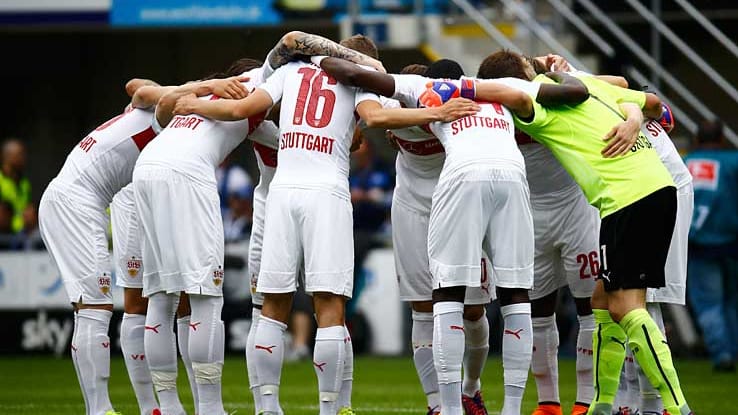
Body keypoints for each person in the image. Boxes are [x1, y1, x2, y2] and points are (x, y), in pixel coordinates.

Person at [173, 34, 477, 415]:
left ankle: (267, 408)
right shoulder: (358, 78)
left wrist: (194, 103)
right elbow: (377, 117)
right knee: (329, 306)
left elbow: (243, 110)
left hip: (282, 191)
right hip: (327, 193)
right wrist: (436, 113)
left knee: (273, 305)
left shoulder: (292, 70)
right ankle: (331, 409)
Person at [313, 54, 591, 415]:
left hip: (460, 182)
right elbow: (578, 91)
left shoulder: (424, 89)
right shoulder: (503, 90)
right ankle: (508, 408)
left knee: (448, 296)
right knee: (516, 295)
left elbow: (347, 74)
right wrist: (551, 68)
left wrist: (324, 54)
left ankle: (452, 405)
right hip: (509, 179)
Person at [476, 50, 694, 415]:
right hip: (649, 188)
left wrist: (468, 88)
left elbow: (516, 96)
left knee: (629, 307)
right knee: (601, 302)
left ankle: (675, 406)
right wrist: (633, 116)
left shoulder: (536, 107)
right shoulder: (587, 83)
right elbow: (654, 102)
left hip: (627, 197)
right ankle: (603, 405)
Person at [36, 76, 192, 415]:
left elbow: (139, 87)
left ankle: (104, 408)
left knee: (94, 310)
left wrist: (190, 90)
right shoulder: (162, 114)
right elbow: (149, 92)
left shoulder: (145, 108)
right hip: (75, 204)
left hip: (77, 201)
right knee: (94, 311)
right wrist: (202, 91)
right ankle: (100, 409)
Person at [381, 59, 495, 415]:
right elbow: (373, 115)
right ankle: (436, 405)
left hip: (461, 207)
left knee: (473, 308)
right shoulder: (397, 105)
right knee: (423, 307)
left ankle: (471, 389)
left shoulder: (471, 107)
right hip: (412, 209)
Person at [684, 119, 738, 373]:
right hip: (732, 242)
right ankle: (732, 350)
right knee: (731, 302)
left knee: (709, 303)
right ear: (723, 138)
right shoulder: (733, 162)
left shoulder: (685, 164)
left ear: (696, 139)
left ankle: (722, 354)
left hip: (699, 245)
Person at [0, 138, 31, 233]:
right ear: (7, 156)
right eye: (20, 154)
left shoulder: (24, 183)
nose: (24, 158)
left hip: (22, 234)